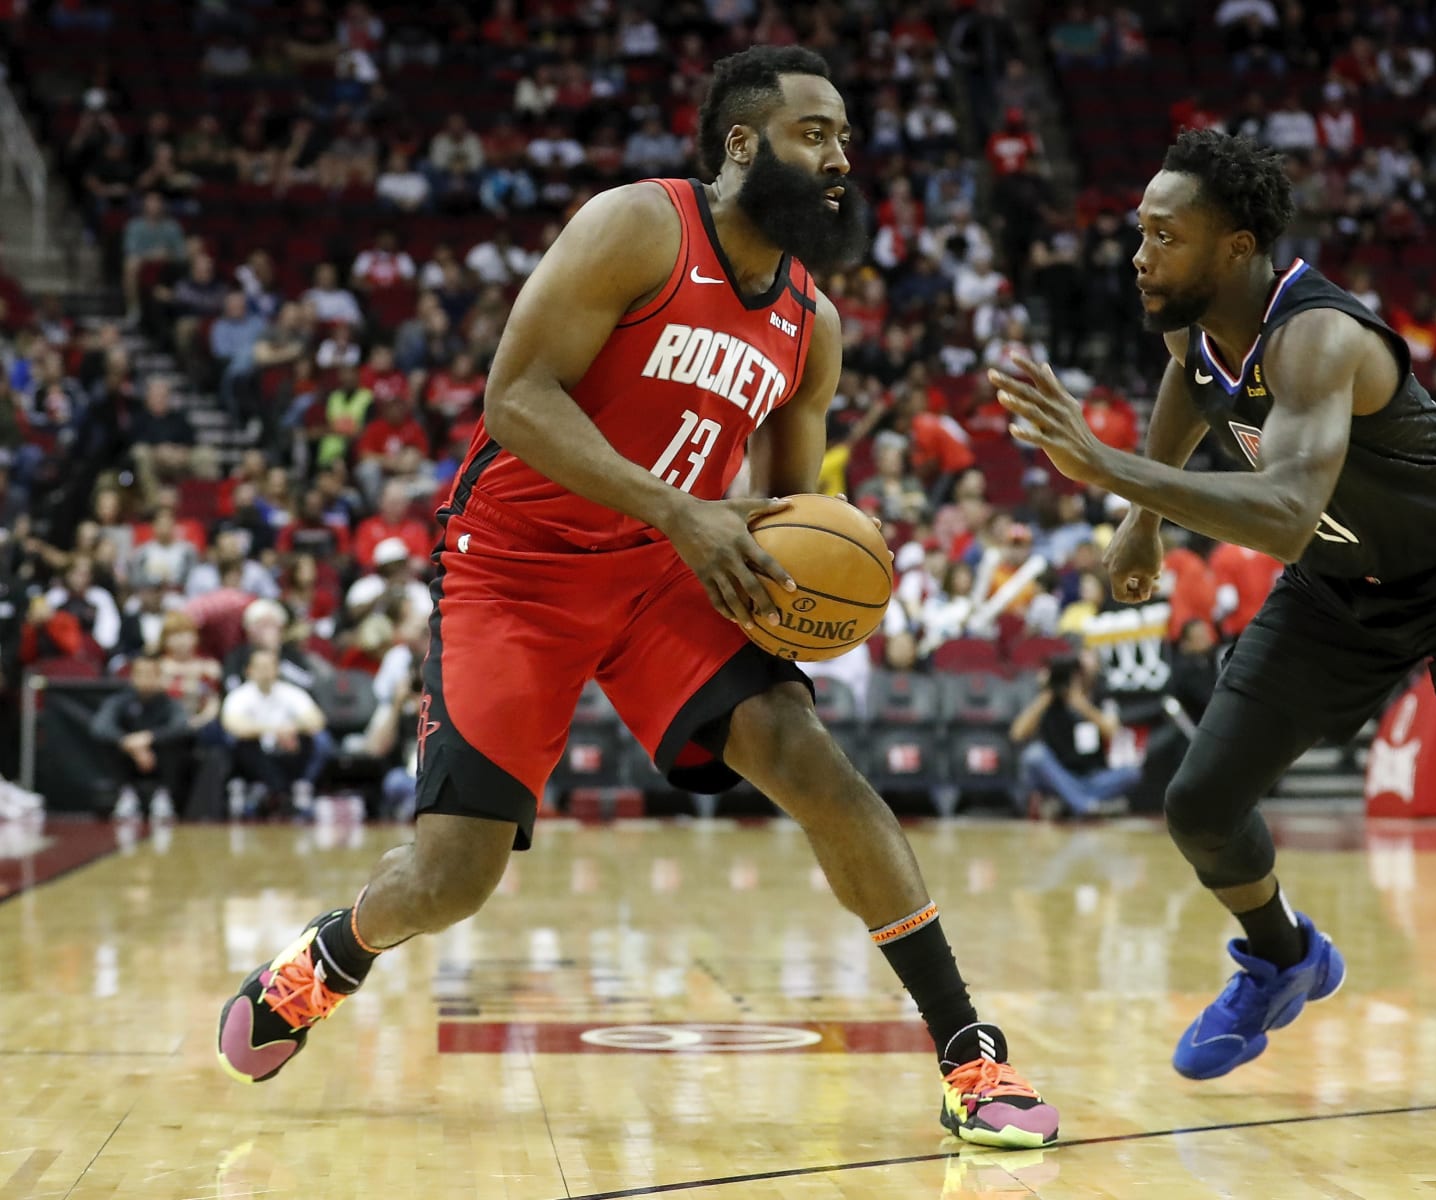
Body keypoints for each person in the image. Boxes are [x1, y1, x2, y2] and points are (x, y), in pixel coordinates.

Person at [216, 46, 1057, 1150]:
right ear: (743, 145)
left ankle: (967, 1053)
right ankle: (324, 961)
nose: (842, 156)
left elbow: (785, 507)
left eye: (848, 137)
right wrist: (679, 510)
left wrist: (830, 559)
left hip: (667, 570)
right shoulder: (640, 227)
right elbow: (514, 400)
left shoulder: (812, 321)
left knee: (817, 766)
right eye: (817, 133)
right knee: (450, 879)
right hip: (516, 569)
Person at [988, 129, 1436, 1117]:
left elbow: (1282, 512)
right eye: (1139, 233)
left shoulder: (1319, 337)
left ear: (1238, 247)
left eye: (1163, 236)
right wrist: (1141, 522)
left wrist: (1111, 469)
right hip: (1340, 587)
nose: (1138, 255)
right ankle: (1284, 959)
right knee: (1199, 804)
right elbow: (1189, 385)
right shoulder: (1191, 324)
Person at [1009, 653, 1138, 817]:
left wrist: (1079, 703)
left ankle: (1067, 802)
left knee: (1131, 773)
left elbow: (1113, 731)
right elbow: (1017, 733)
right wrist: (1046, 696)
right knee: (1034, 755)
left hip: (1091, 775)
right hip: (1057, 775)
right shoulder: (1047, 700)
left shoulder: (1100, 696)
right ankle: (1086, 806)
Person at [219, 646, 330, 812]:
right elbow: (232, 725)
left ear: (277, 669)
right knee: (237, 743)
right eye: (260, 667)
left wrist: (293, 729)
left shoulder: (292, 693)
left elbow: (317, 720)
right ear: (249, 670)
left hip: (289, 749)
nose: (265, 671)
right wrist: (273, 730)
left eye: (269, 666)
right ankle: (274, 791)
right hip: (256, 753)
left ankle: (302, 785)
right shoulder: (239, 696)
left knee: (319, 739)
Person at [89, 656, 189, 822]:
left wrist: (149, 738)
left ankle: (164, 796)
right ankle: (126, 795)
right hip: (127, 760)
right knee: (107, 742)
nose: (145, 679)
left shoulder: (171, 704)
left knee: (177, 742)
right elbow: (100, 726)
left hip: (160, 759)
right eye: (140, 673)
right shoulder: (119, 701)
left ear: (159, 677)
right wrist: (128, 743)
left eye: (151, 674)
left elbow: (181, 726)